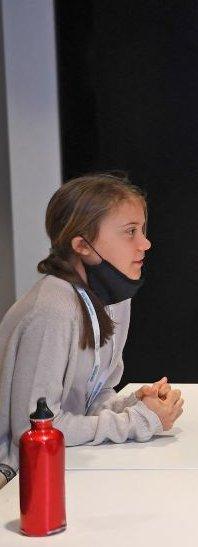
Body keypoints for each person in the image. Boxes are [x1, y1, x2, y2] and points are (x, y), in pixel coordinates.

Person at [0, 174, 184, 487]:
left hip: (69, 463)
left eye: (142, 230)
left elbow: (91, 396)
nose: (145, 243)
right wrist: (136, 421)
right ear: (83, 245)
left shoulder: (115, 299)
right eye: (130, 232)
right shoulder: (52, 311)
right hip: (20, 478)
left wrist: (131, 404)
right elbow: (36, 428)